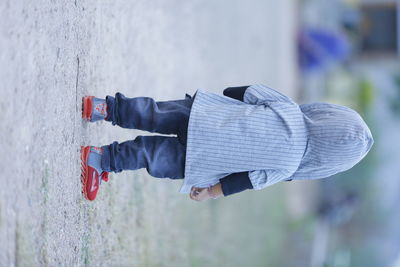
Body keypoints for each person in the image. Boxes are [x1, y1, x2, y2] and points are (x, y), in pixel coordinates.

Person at [80, 85, 374, 201]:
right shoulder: (287, 166)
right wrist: (210, 192)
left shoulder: (290, 109)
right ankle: (101, 158)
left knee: (154, 113)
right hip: (203, 158)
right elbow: (244, 180)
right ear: (328, 164)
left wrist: (228, 105)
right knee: (151, 155)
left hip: (202, 113)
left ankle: (103, 108)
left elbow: (245, 91)